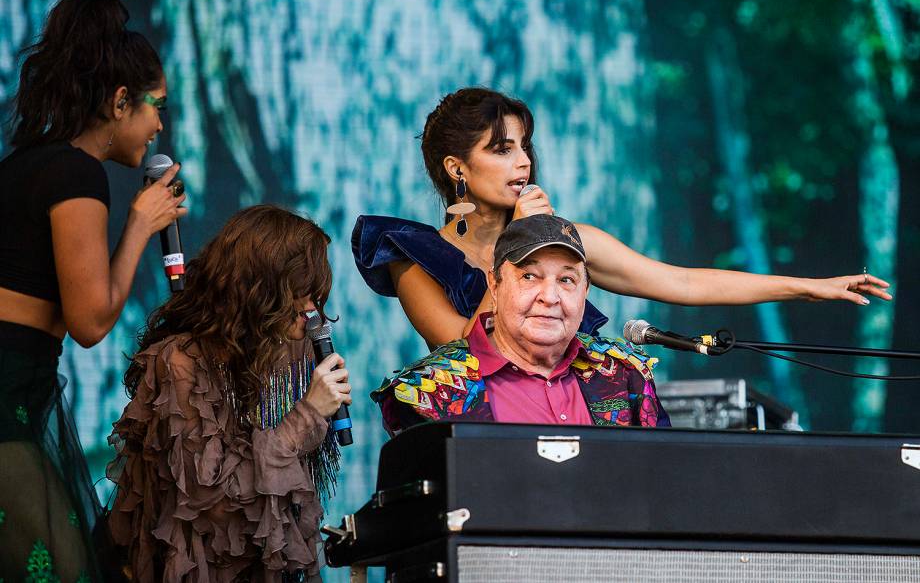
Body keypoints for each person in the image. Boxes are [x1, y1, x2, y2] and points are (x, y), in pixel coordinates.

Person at [352, 87, 891, 349]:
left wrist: (809, 287)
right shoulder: (409, 254)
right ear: (457, 168)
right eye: (501, 149)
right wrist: (518, 243)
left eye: (525, 147)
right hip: (478, 439)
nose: (523, 162)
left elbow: (681, 281)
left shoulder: (566, 238)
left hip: (571, 423)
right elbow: (461, 353)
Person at [0, 0, 185, 581]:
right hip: (6, 389)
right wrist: (139, 225)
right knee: (62, 566)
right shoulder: (76, 175)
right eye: (156, 104)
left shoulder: (27, 161)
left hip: (18, 386)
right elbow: (89, 322)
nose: (160, 124)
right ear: (120, 100)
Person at [106, 205, 351, 582]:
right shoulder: (180, 363)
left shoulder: (282, 355)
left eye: (316, 296)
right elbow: (213, 506)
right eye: (302, 294)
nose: (312, 309)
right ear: (261, 291)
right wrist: (306, 414)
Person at [373, 214, 669, 434]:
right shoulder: (429, 390)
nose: (550, 297)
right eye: (529, 276)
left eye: (566, 280)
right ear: (495, 284)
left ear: (585, 292)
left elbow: (665, 486)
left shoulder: (625, 372)